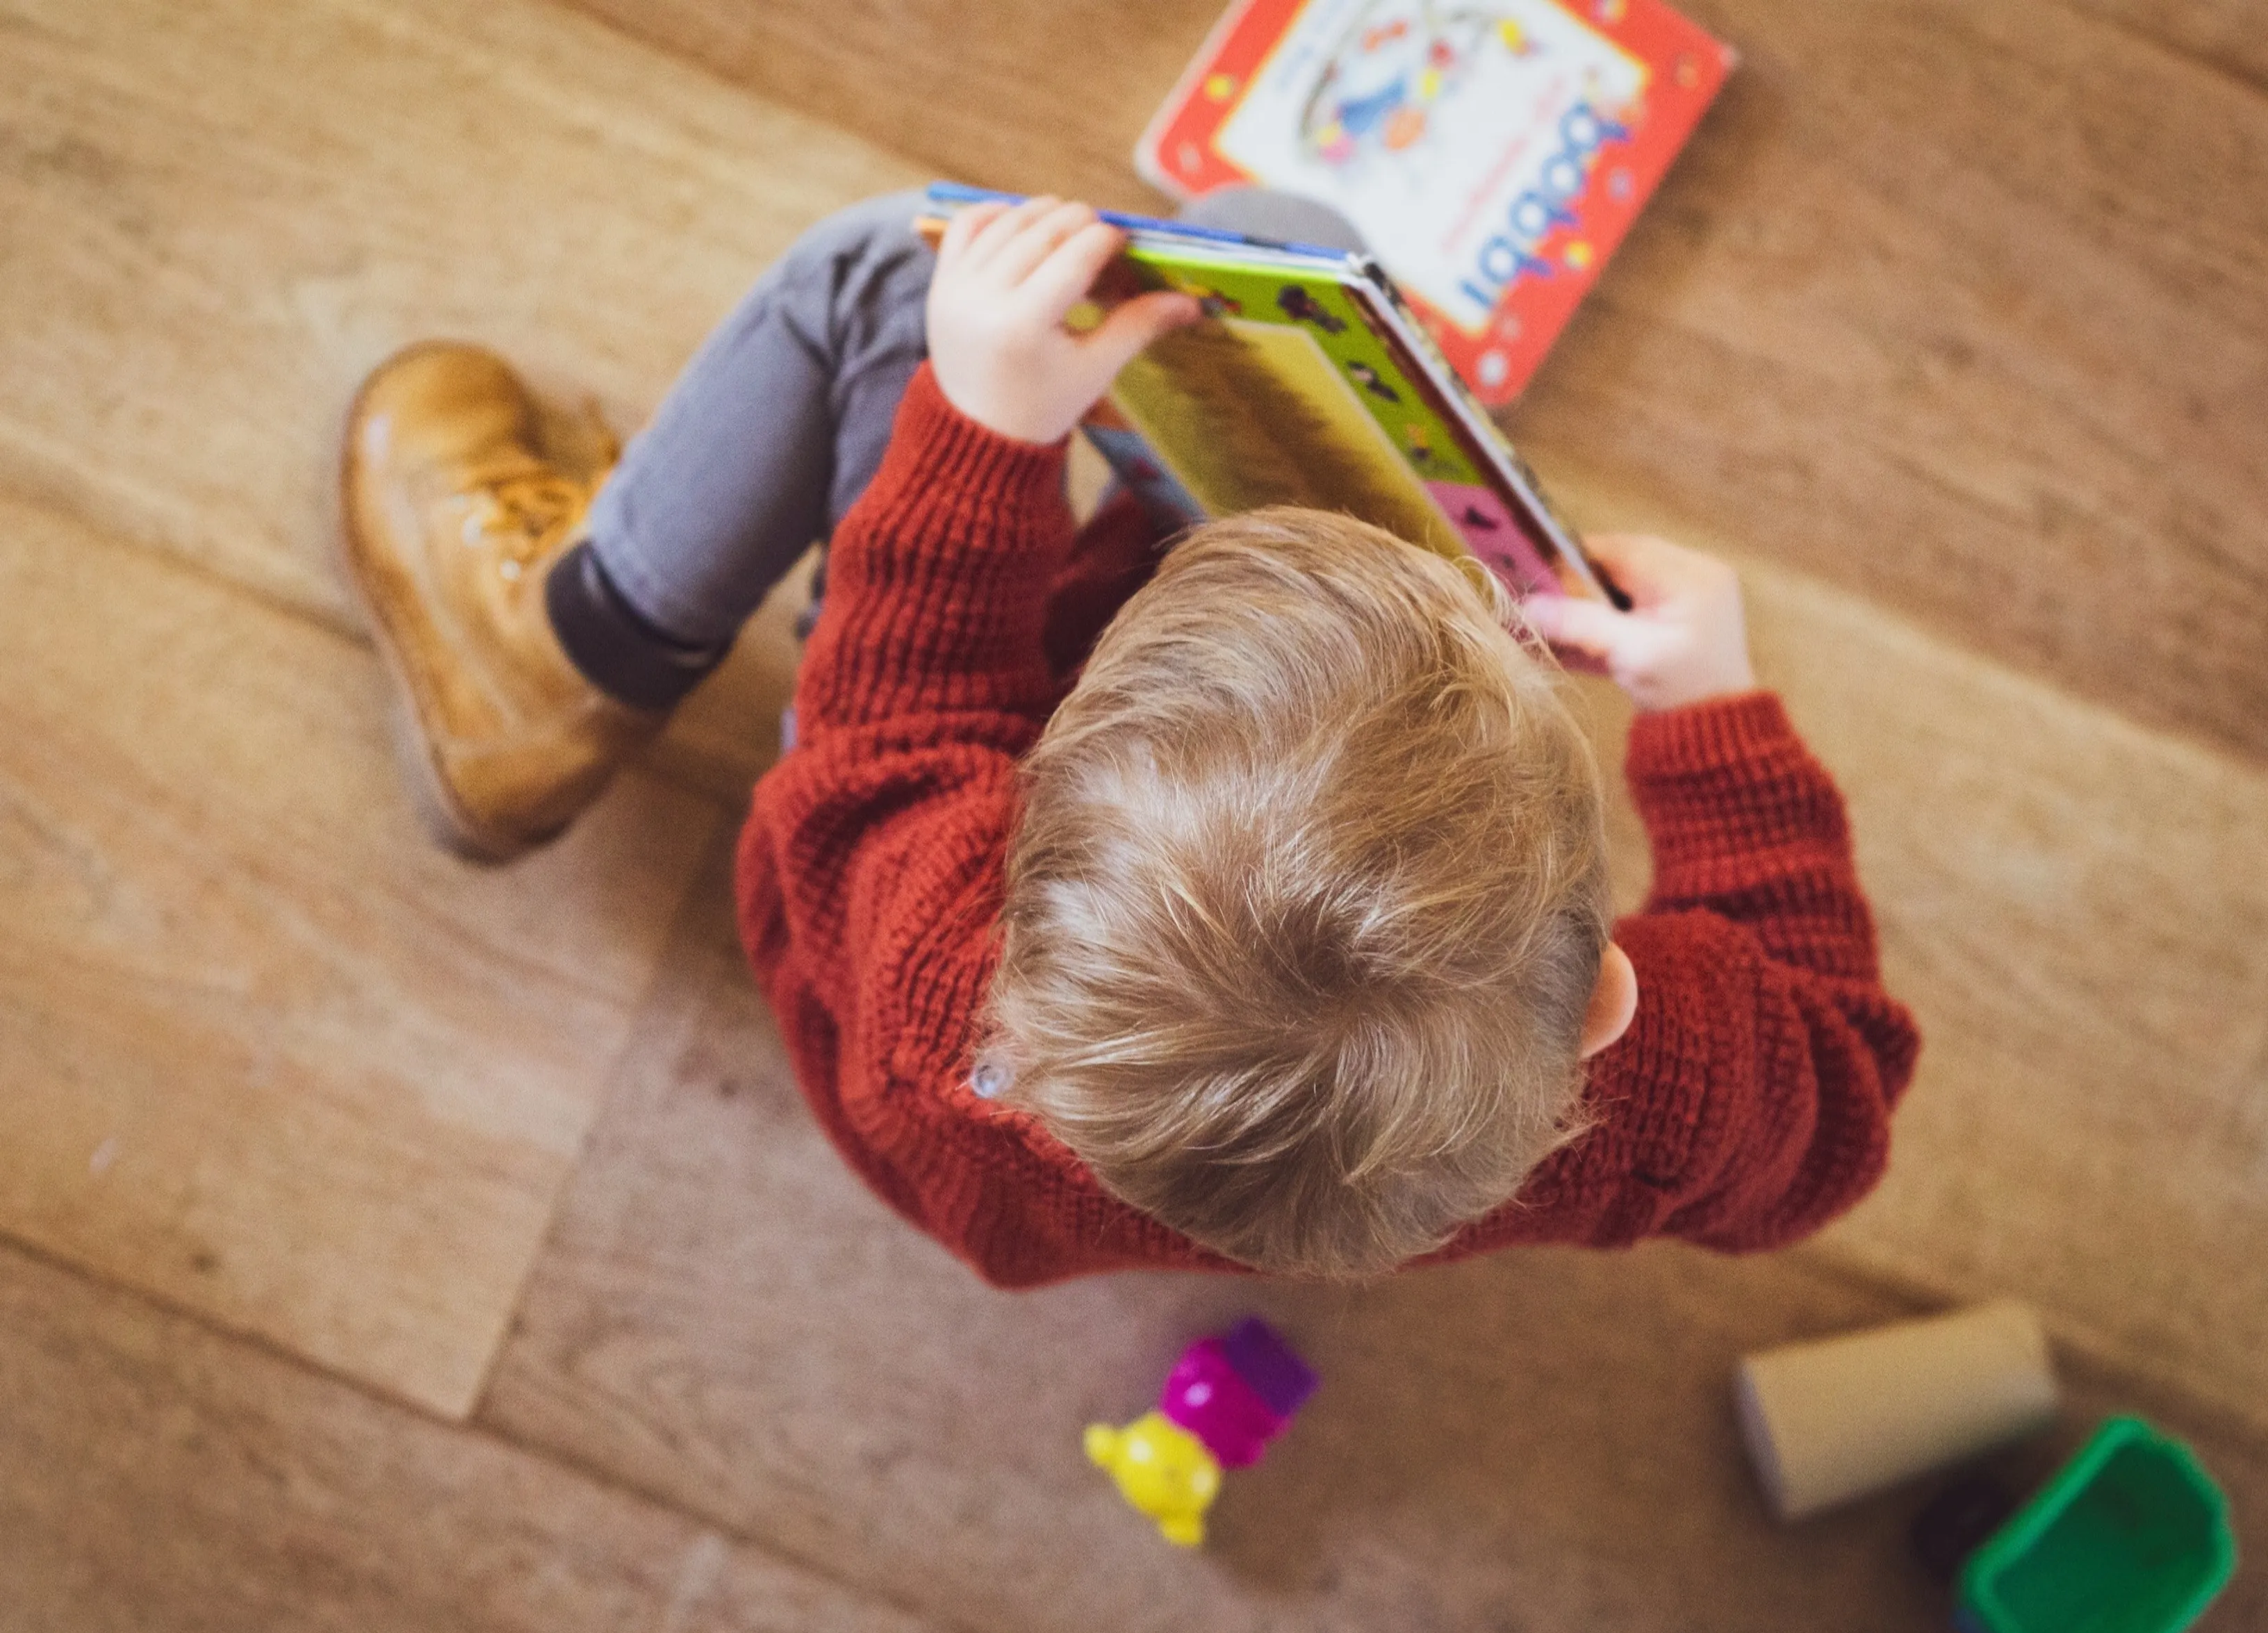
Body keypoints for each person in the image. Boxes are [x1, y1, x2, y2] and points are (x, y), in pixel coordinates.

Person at [340, 189, 1918, 1285]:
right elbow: (1837, 1098)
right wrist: (1712, 716)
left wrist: (983, 430)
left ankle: (557, 659)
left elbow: (907, 717)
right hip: (1140, 1165)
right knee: (1280, 248)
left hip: (877, 868)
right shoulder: (1660, 1084)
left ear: (1040, 827)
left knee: (883, 275)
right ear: (1603, 1006)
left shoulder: (945, 959)